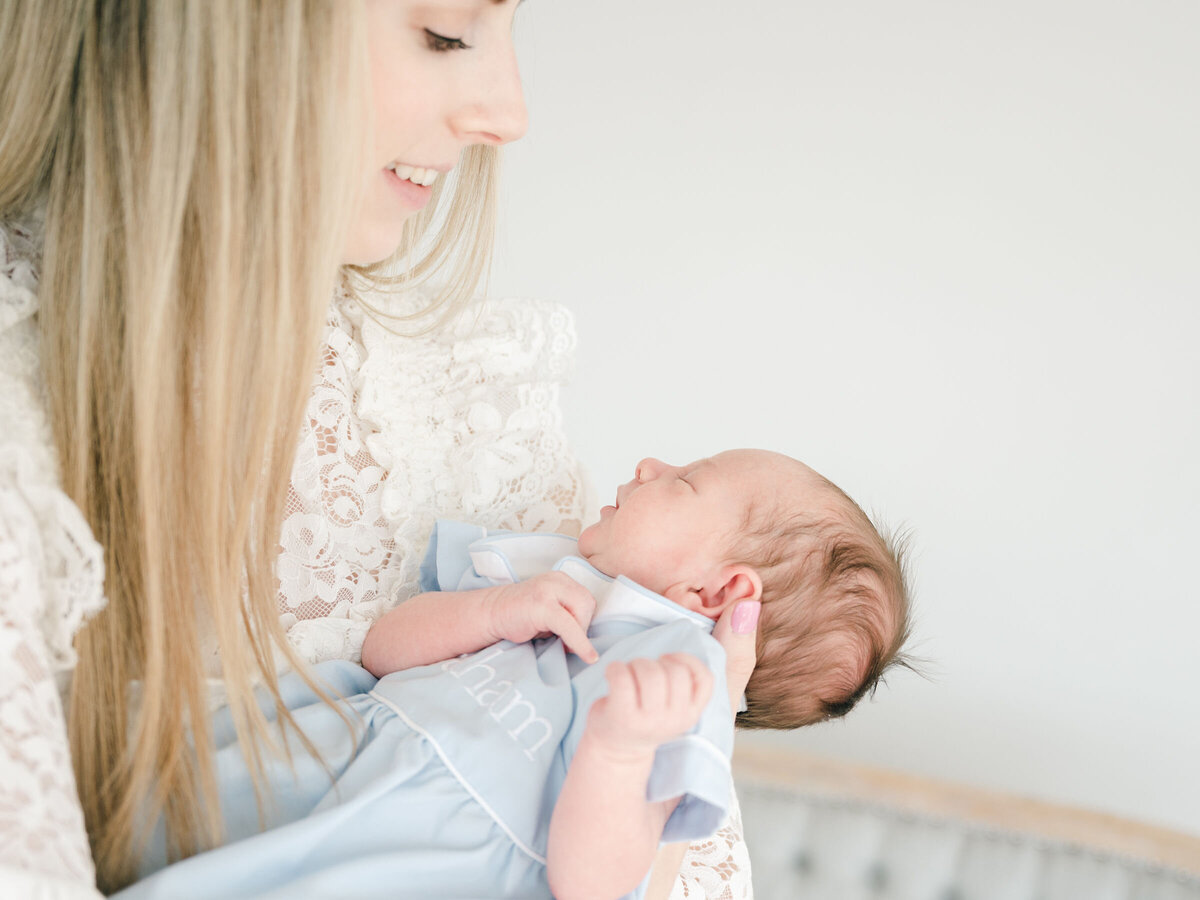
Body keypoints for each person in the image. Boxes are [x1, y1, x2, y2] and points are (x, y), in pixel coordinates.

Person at [0, 3, 757, 898]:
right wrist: (490, 615)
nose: (509, 114)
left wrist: (697, 714)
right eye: (446, 31)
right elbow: (389, 646)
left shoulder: (481, 419)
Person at [116, 449, 911, 899]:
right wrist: (494, 611)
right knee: (154, 793)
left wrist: (621, 749)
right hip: (352, 742)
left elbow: (598, 887)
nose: (649, 463)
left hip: (434, 849)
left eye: (683, 482)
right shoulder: (554, 575)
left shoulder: (680, 678)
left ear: (719, 593)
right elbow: (383, 653)